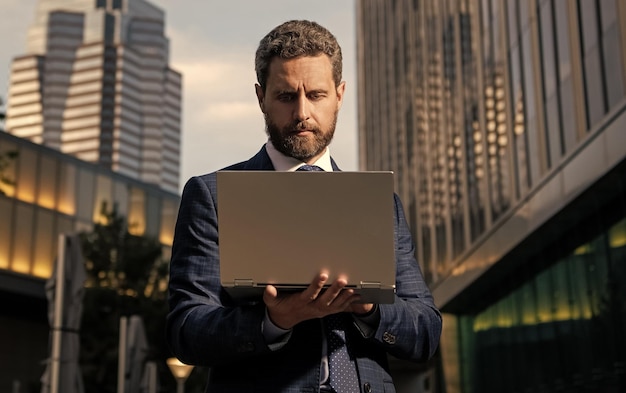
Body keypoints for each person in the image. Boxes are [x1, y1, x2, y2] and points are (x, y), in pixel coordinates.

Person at [166, 20, 442, 393]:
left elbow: (425, 331)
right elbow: (187, 330)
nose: (302, 113)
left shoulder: (379, 204)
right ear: (261, 96)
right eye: (285, 96)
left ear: (339, 94)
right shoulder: (213, 197)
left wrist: (369, 309)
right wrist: (273, 321)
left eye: (315, 95)